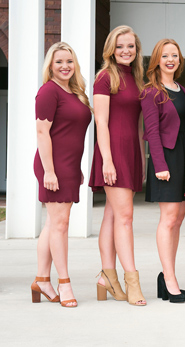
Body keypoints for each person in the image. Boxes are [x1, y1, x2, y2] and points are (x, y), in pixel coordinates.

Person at [89, 25, 147, 306]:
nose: (126, 51)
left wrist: (142, 158)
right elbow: (101, 121)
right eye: (121, 46)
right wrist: (108, 160)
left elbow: (138, 124)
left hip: (131, 152)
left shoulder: (137, 79)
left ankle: (106, 278)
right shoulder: (104, 77)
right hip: (112, 154)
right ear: (111, 49)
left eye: (131, 46)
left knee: (113, 216)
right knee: (125, 218)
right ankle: (131, 280)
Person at [32, 42, 92, 308]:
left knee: (52, 223)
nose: (65, 66)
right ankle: (64, 283)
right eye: (59, 62)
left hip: (68, 166)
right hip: (52, 166)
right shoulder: (48, 91)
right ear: (50, 66)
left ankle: (42, 280)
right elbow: (42, 133)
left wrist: (76, 167)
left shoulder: (75, 92)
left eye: (69, 61)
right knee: (61, 225)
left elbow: (70, 134)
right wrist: (49, 171)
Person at [141, 39, 185, 304]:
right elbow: (151, 131)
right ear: (157, 61)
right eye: (165, 55)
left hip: (184, 158)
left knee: (179, 220)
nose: (170, 59)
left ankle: (166, 275)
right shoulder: (151, 91)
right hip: (166, 160)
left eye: (175, 55)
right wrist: (159, 165)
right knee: (168, 219)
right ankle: (170, 280)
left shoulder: (182, 90)